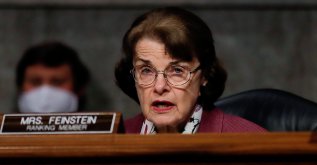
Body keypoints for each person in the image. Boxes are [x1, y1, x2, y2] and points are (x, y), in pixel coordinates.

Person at [115, 7, 266, 133]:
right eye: (146, 70)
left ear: (204, 76)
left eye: (177, 71)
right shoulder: (115, 139)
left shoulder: (251, 141)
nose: (160, 87)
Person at [15, 41, 90, 113]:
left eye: (57, 82)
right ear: (20, 87)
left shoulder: (99, 126)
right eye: (35, 82)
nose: (45, 92)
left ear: (79, 89)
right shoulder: (3, 125)